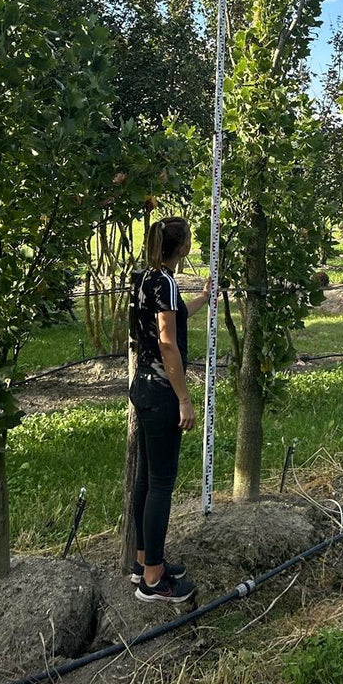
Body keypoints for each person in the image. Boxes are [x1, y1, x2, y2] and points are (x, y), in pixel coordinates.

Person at [128, 215, 212, 603]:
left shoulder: (146, 278)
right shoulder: (164, 281)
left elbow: (172, 318)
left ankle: (146, 558)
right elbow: (167, 343)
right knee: (161, 483)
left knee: (146, 478)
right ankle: (153, 580)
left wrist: (203, 299)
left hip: (141, 386)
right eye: (191, 238)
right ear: (182, 246)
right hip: (161, 391)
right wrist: (184, 397)